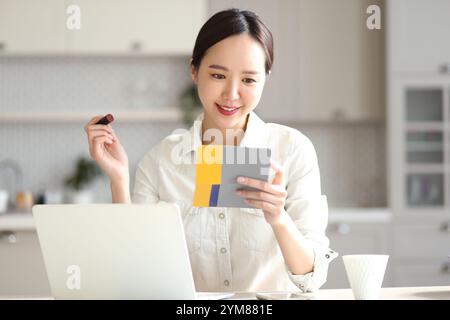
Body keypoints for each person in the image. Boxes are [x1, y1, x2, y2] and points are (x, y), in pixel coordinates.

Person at [84, 8, 337, 293]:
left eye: (249, 80)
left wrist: (278, 218)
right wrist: (118, 179)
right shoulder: (160, 162)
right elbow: (131, 271)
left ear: (265, 78)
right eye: (218, 75)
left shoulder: (292, 150)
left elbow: (311, 278)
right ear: (194, 71)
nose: (231, 94)